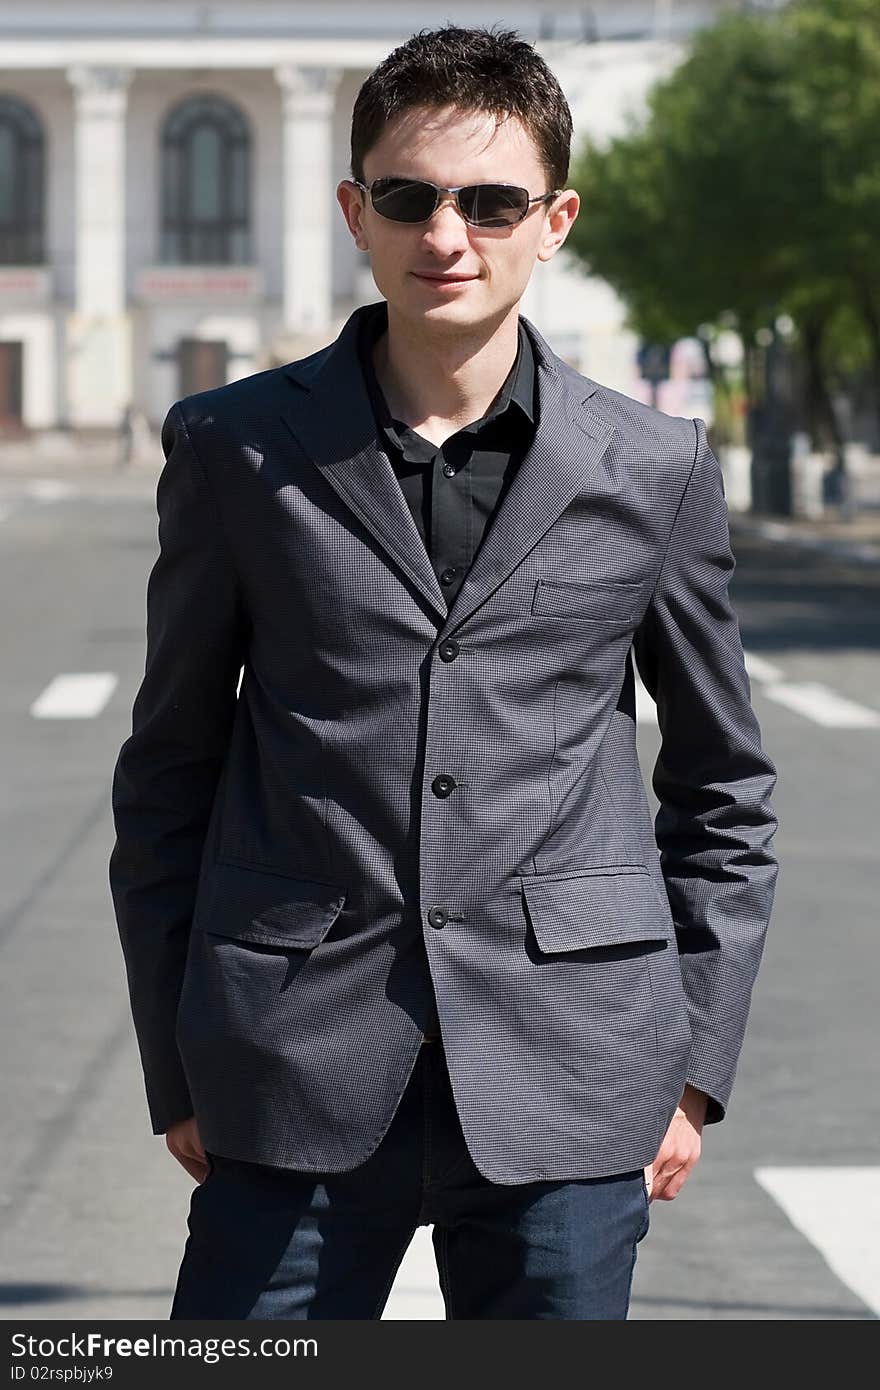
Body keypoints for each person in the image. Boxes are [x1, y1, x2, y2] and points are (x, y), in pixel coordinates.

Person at [109, 24, 779, 1320]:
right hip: (290, 1066)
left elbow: (724, 784)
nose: (448, 235)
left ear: (555, 219)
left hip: (571, 1077)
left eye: (491, 201)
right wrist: (176, 1057)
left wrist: (692, 1063)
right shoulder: (234, 450)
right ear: (357, 211)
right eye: (410, 198)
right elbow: (171, 770)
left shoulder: (656, 467)